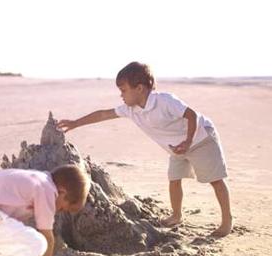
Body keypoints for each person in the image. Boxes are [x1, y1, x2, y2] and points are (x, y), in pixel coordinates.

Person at [58, 61, 232, 237]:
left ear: (139, 88)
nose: (121, 95)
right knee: (174, 179)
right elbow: (103, 114)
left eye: (124, 90)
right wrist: (75, 123)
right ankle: (176, 215)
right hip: (176, 147)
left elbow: (191, 115)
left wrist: (188, 141)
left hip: (200, 138)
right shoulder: (131, 110)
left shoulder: (164, 101)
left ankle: (226, 222)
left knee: (215, 180)